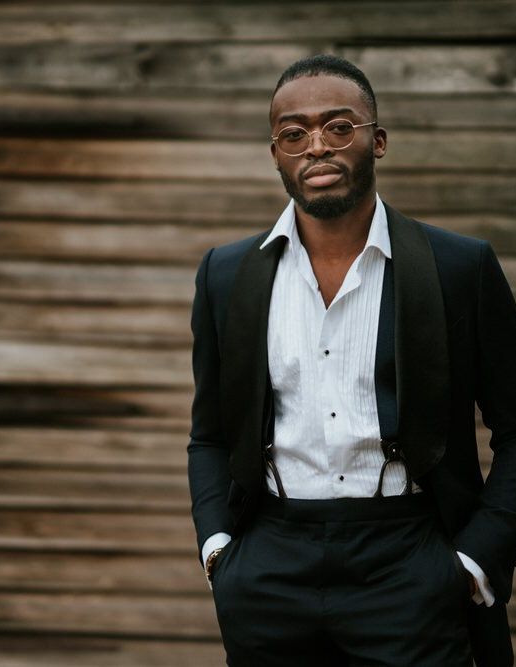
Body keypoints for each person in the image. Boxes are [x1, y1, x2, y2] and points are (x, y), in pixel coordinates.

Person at [187, 54, 516, 667]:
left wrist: (474, 560)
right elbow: (208, 434)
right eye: (294, 133)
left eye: (339, 127)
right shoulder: (227, 275)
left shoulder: (458, 267)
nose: (317, 146)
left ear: (377, 140)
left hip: (409, 556)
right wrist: (219, 550)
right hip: (270, 563)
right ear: (276, 153)